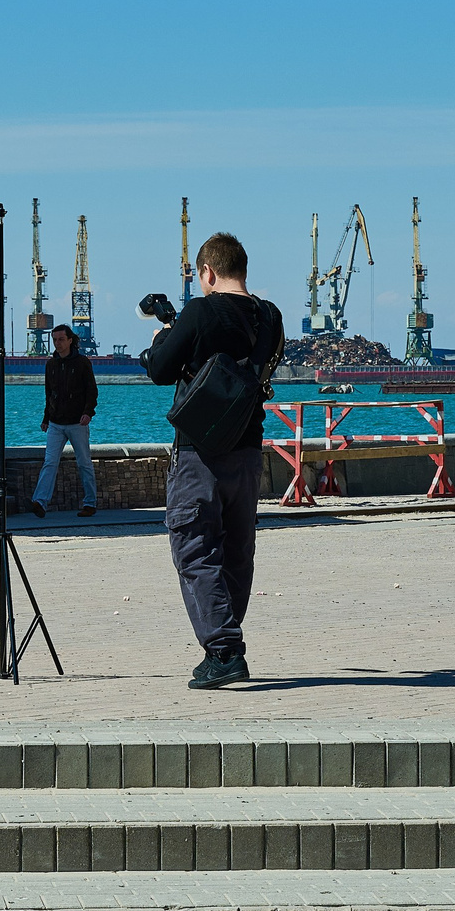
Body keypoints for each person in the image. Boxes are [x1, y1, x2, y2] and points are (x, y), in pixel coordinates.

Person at [141, 232, 284, 691]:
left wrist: (161, 339)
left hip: (199, 450)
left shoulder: (200, 311)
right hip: (247, 448)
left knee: (194, 545)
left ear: (207, 272)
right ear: (243, 268)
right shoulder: (271, 316)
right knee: (237, 550)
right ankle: (225, 640)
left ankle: (223, 650)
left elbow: (160, 370)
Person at [33, 324, 99, 518]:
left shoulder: (82, 362)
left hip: (78, 422)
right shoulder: (50, 365)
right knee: (49, 462)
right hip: (55, 422)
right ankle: (40, 502)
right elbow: (49, 393)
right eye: (54, 340)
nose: (57, 343)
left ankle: (90, 503)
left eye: (61, 339)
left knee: (84, 463)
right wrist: (46, 418)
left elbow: (91, 390)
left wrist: (88, 413)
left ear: (71, 340)